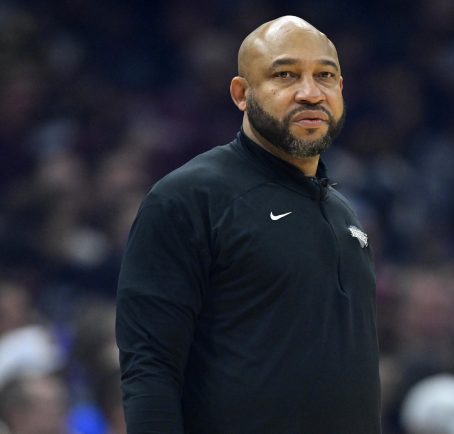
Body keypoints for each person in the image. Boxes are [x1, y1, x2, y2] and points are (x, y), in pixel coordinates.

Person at [115, 15, 381, 433]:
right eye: (285, 75)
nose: (310, 93)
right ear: (242, 93)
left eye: (324, 76)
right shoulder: (188, 197)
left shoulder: (343, 212)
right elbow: (150, 365)